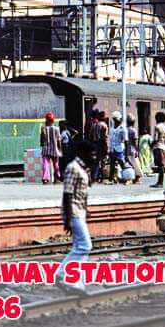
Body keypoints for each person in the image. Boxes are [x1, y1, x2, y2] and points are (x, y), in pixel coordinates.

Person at [56, 140, 97, 294]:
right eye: (91, 154)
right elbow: (67, 194)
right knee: (85, 245)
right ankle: (61, 274)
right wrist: (67, 218)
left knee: (80, 247)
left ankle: (77, 283)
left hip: (80, 211)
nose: (94, 157)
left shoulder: (83, 168)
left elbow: (81, 193)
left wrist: (87, 210)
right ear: (83, 153)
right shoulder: (73, 168)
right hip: (73, 211)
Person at [40, 112, 63, 184]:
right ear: (53, 120)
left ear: (46, 120)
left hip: (46, 149)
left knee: (45, 164)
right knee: (56, 164)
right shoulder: (57, 129)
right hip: (55, 149)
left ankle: (45, 178)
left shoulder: (43, 128)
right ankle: (57, 177)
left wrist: (42, 144)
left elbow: (41, 140)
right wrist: (60, 150)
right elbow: (59, 140)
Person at [90, 111, 109, 183]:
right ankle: (101, 177)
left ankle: (94, 177)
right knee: (102, 161)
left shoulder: (94, 125)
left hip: (94, 144)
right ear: (103, 117)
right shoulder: (104, 125)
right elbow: (105, 138)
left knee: (96, 161)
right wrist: (106, 147)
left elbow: (90, 136)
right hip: (101, 144)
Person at [107, 111, 126, 184]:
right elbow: (111, 139)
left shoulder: (122, 128)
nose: (115, 120)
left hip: (119, 148)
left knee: (122, 163)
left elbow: (125, 140)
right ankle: (111, 179)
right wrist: (110, 148)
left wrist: (126, 151)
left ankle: (127, 177)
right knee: (112, 164)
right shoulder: (112, 128)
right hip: (113, 148)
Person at [151, 112, 165, 188]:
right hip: (163, 147)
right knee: (161, 165)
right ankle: (160, 182)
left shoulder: (157, 127)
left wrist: (151, 145)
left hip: (158, 147)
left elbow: (155, 138)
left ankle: (160, 182)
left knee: (160, 166)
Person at [125, 114, 142, 184]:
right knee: (136, 165)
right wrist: (137, 150)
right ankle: (137, 178)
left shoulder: (125, 130)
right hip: (133, 150)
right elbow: (135, 142)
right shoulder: (134, 131)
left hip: (127, 150)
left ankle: (132, 178)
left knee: (131, 164)